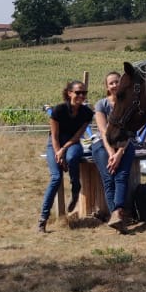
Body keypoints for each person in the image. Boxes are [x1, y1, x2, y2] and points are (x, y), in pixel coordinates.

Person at [40, 80, 93, 232]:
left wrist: (64, 150)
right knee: (56, 178)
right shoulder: (59, 110)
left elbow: (77, 136)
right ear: (69, 93)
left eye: (84, 93)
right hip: (55, 143)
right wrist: (58, 152)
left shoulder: (87, 113)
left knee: (72, 158)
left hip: (72, 143)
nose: (81, 95)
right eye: (78, 92)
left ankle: (76, 187)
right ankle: (43, 218)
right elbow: (54, 136)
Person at [91, 71, 137, 233]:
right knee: (109, 177)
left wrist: (119, 153)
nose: (115, 85)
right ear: (107, 87)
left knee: (121, 176)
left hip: (125, 143)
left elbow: (130, 131)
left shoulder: (130, 103)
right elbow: (104, 131)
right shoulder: (101, 105)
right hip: (103, 144)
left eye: (117, 81)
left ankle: (117, 215)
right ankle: (117, 216)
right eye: (111, 83)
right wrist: (111, 153)